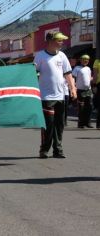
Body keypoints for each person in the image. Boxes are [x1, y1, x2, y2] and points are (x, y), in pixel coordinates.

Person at [34, 31, 77, 159]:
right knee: (48, 124)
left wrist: (72, 88)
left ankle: (58, 150)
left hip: (61, 96)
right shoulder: (40, 56)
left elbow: (68, 73)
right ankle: (44, 150)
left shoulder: (62, 56)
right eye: (59, 40)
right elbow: (33, 74)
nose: (61, 42)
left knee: (59, 125)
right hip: (46, 97)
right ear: (51, 41)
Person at [72, 54, 93, 128]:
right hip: (80, 90)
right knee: (81, 107)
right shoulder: (77, 68)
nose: (85, 61)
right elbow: (73, 78)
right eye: (84, 59)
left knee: (89, 106)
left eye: (87, 60)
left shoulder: (88, 68)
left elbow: (90, 78)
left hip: (88, 90)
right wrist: (73, 88)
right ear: (80, 60)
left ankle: (88, 123)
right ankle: (81, 123)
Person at [93, 58, 100, 129]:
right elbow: (95, 75)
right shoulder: (97, 61)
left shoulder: (97, 61)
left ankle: (98, 124)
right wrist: (94, 85)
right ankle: (98, 124)